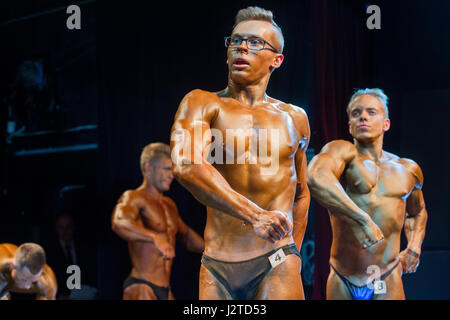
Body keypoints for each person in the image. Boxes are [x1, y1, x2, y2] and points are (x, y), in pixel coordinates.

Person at [170, 6, 310, 300]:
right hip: (218, 264)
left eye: (255, 42)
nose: (242, 47)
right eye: (235, 41)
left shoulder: (295, 118)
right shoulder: (202, 102)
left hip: (276, 259)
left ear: (277, 60)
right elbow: (186, 164)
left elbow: (301, 192)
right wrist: (256, 215)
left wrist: (292, 251)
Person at [307, 88, 428, 300]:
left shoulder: (408, 169)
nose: (363, 116)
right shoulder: (341, 153)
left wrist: (414, 246)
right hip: (343, 276)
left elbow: (417, 212)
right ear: (350, 127)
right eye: (356, 113)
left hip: (386, 275)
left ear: (386, 123)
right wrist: (363, 220)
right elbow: (316, 176)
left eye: (371, 112)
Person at [111, 142, 204, 300]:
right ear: (148, 168)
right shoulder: (134, 197)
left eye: (172, 170)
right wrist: (154, 237)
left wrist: (218, 251)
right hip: (142, 286)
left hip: (166, 290)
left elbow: (188, 237)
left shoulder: (169, 205)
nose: (171, 175)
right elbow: (118, 223)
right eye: (167, 169)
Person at [46, 213, 98, 299]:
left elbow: (89, 274)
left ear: (73, 228)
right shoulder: (50, 252)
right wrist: (58, 295)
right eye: (61, 227)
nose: (65, 231)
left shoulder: (84, 249)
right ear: (56, 229)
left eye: (68, 227)